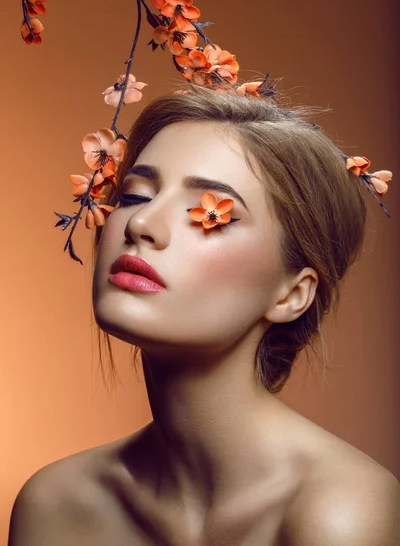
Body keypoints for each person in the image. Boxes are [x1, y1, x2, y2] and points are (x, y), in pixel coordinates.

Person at [8, 85, 400, 545]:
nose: (140, 224)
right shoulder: (56, 505)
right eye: (134, 196)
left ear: (292, 294)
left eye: (207, 213)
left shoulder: (341, 511)